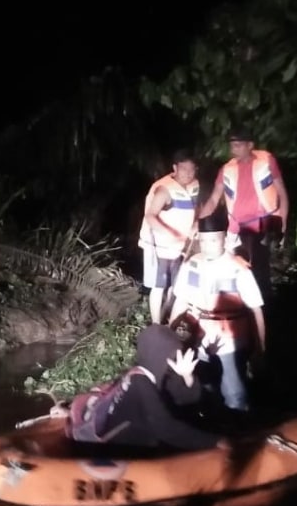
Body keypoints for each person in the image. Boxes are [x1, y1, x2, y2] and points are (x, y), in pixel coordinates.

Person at [59, 324, 228, 451]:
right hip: (120, 449)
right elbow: (166, 428)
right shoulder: (141, 383)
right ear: (158, 354)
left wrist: (187, 375)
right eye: (170, 355)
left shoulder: (145, 372)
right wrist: (215, 442)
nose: (174, 360)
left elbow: (185, 400)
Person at [169, 225, 266, 414]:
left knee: (233, 390)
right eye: (203, 240)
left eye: (213, 240)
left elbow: (256, 308)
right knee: (203, 383)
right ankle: (210, 422)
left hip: (229, 338)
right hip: (198, 335)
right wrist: (170, 334)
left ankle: (239, 428)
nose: (207, 246)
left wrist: (261, 348)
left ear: (224, 239)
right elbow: (181, 301)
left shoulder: (238, 268)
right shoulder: (192, 264)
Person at [199, 125, 289, 297]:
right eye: (232, 145)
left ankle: (262, 310)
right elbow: (213, 199)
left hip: (262, 224)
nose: (234, 149)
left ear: (250, 145)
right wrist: (199, 226)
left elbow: (282, 193)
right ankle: (239, 308)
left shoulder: (267, 161)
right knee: (236, 268)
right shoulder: (226, 169)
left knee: (260, 271)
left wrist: (282, 223)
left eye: (239, 145)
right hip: (236, 227)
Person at [138, 150, 200, 324]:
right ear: (175, 168)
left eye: (192, 169)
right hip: (159, 245)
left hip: (181, 245)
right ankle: (156, 324)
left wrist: (196, 224)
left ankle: (169, 317)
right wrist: (168, 233)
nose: (188, 173)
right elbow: (151, 216)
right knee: (159, 285)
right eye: (184, 169)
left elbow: (197, 209)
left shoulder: (194, 185)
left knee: (177, 283)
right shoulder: (164, 189)